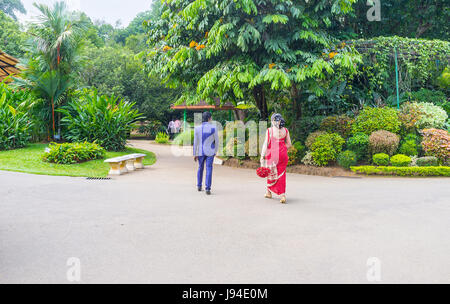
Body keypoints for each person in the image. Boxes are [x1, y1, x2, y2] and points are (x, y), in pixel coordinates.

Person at [260, 113, 292, 204]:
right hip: (283, 155)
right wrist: (281, 148)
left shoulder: (270, 130)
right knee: (282, 173)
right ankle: (282, 195)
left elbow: (265, 144)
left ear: (273, 121)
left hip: (272, 154)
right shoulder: (285, 130)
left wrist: (262, 156)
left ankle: (269, 193)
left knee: (271, 173)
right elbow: (289, 144)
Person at [193, 112, 219, 195]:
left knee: (200, 167)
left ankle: (199, 185)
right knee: (209, 168)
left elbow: (195, 142)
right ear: (209, 118)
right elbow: (217, 141)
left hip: (200, 151)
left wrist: (195, 153)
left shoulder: (197, 128)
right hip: (210, 151)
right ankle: (208, 188)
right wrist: (215, 151)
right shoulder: (213, 128)